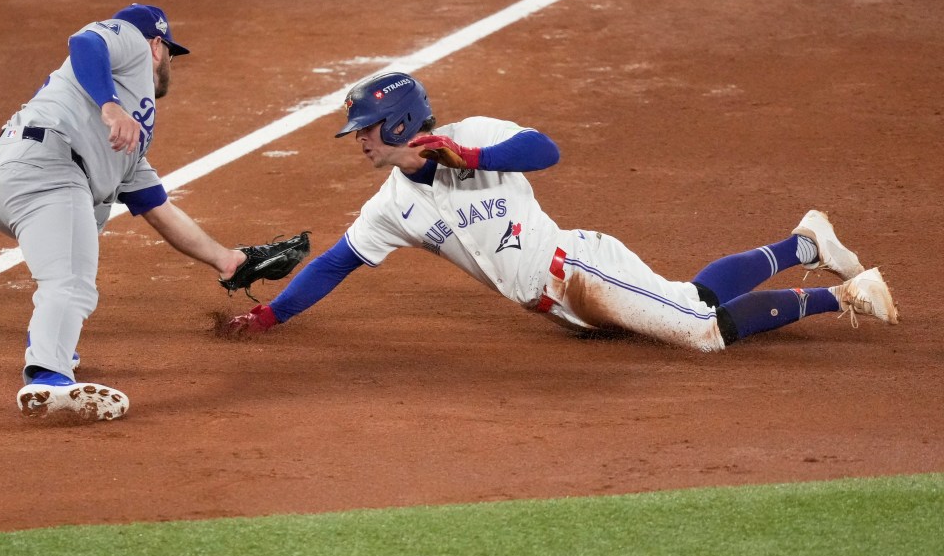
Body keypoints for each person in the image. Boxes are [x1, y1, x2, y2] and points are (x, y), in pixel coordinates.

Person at [225, 71, 898, 349]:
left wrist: (470, 158)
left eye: (368, 131)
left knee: (700, 329)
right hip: (561, 308)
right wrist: (268, 313)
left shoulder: (478, 137)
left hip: (579, 267)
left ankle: (845, 297)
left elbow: (545, 150)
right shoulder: (391, 206)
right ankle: (803, 244)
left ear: (400, 126)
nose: (361, 143)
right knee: (688, 296)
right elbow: (337, 264)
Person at [0, 4, 247, 421]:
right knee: (71, 281)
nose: (170, 64)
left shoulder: (129, 138)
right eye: (171, 53)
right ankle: (49, 376)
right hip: (45, 167)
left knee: (75, 244)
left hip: (9, 173)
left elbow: (155, 205)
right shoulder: (131, 42)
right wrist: (110, 105)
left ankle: (51, 343)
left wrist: (226, 260)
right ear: (158, 46)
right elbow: (85, 43)